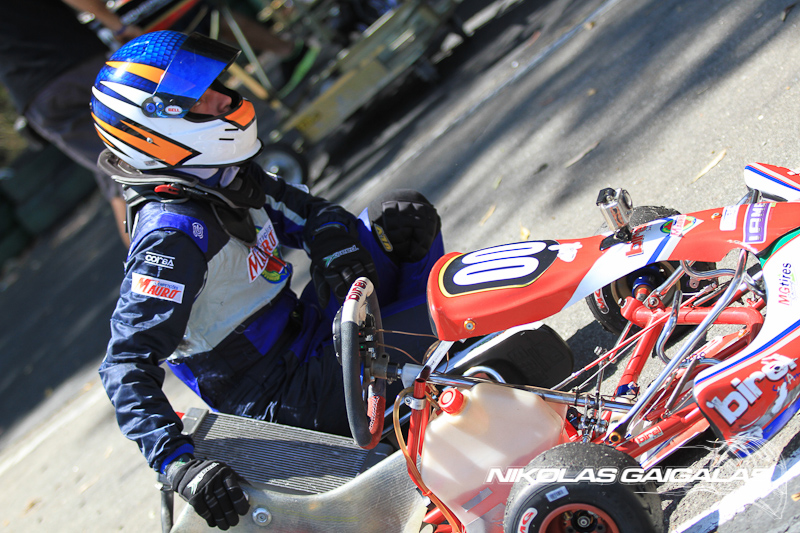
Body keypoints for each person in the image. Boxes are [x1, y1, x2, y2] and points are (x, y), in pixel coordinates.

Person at [94, 30, 443, 530]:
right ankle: (427, 399)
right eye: (201, 97)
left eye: (217, 85)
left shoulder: (222, 175)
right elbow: (124, 363)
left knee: (401, 216)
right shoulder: (171, 237)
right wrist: (177, 463)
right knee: (443, 324)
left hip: (314, 330)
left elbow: (313, 213)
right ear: (154, 127)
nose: (224, 99)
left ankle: (418, 392)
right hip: (281, 396)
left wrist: (332, 240)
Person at [0, 0, 144, 244]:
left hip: (34, 96)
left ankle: (150, 259)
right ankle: (156, 259)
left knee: (115, 169)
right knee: (137, 158)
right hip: (75, 63)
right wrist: (118, 26)